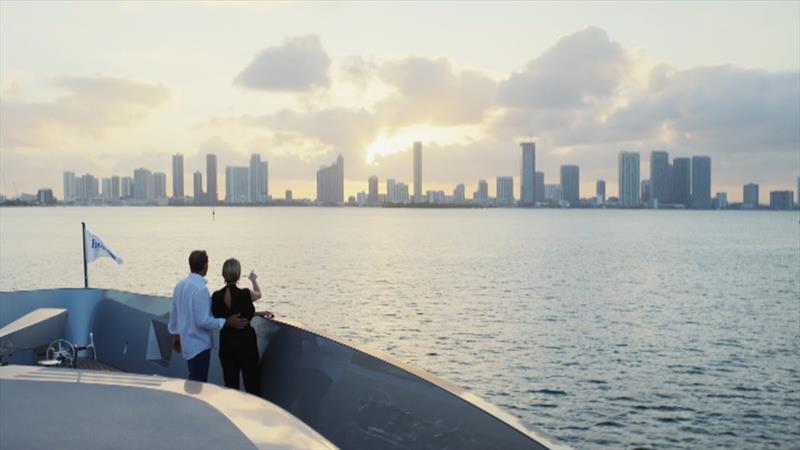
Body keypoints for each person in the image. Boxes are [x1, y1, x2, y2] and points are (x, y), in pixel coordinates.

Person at [168, 250, 249, 383]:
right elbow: (203, 321)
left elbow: (175, 313)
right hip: (199, 345)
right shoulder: (201, 290)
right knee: (198, 382)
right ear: (205, 266)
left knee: (194, 378)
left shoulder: (180, 286)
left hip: (186, 342)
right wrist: (226, 322)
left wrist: (176, 335)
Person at [211, 258, 274, 395]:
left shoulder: (216, 296)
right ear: (238, 274)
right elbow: (258, 294)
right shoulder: (245, 294)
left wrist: (258, 313)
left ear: (223, 274)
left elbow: (229, 316)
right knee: (252, 386)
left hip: (227, 346)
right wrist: (253, 279)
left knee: (231, 387)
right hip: (246, 346)